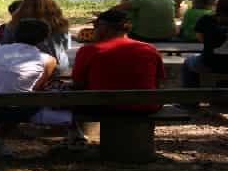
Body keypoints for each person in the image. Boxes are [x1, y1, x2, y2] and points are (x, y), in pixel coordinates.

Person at [67, 9, 165, 144]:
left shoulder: (89, 50)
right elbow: (158, 81)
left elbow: (78, 83)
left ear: (105, 28)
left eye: (96, 27)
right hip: (145, 106)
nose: (94, 30)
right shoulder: (149, 49)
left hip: (101, 107)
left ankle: (76, 137)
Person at [0, 19, 57, 159]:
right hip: (14, 110)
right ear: (44, 38)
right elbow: (36, 88)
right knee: (24, 99)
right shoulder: (48, 60)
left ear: (15, 34)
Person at [0, 0, 71, 73]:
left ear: (24, 4)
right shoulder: (60, 23)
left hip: (26, 66)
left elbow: (5, 46)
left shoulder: (13, 24)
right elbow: (66, 47)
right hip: (58, 66)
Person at [181, 0, 228, 90]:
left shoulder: (206, 19)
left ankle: (190, 102)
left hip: (210, 62)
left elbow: (201, 39)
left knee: (188, 62)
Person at [112, 0, 176, 42]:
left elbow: (116, 8)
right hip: (168, 36)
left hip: (144, 37)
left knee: (122, 33)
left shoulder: (140, 1)